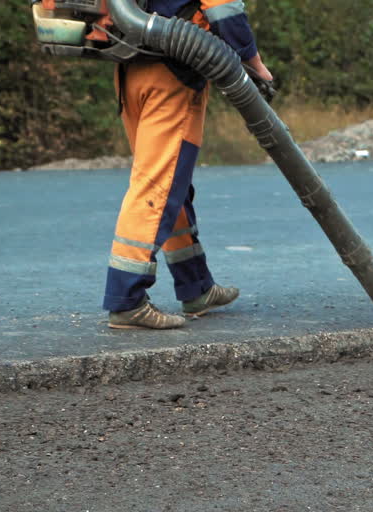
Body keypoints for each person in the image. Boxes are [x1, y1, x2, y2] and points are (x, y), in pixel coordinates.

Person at [103, 0, 273, 329]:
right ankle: (127, 300)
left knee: (169, 185)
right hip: (172, 77)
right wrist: (254, 63)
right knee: (157, 187)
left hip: (131, 70)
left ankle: (196, 287)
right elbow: (224, 10)